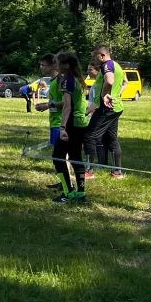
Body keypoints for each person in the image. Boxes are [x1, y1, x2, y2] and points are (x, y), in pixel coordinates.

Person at [52, 52, 89, 203]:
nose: (56, 65)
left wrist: (62, 128)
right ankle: (80, 194)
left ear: (66, 65)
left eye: (58, 63)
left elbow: (67, 106)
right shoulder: (77, 79)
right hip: (81, 123)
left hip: (71, 124)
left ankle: (67, 192)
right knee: (76, 157)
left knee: (57, 157)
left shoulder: (68, 81)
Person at [84, 45, 125, 180]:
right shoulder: (116, 65)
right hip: (115, 107)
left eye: (94, 56)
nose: (93, 59)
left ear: (102, 55)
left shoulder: (107, 65)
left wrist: (104, 95)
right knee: (111, 139)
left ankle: (88, 171)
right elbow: (121, 83)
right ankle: (117, 172)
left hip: (107, 108)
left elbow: (109, 81)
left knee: (90, 136)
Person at [33, 54, 63, 191]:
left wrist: (47, 105)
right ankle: (63, 182)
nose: (41, 67)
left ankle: (67, 184)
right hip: (54, 121)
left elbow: (66, 102)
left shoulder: (60, 81)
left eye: (43, 65)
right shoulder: (53, 81)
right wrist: (46, 105)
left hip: (61, 122)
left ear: (52, 66)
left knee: (60, 156)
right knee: (58, 156)